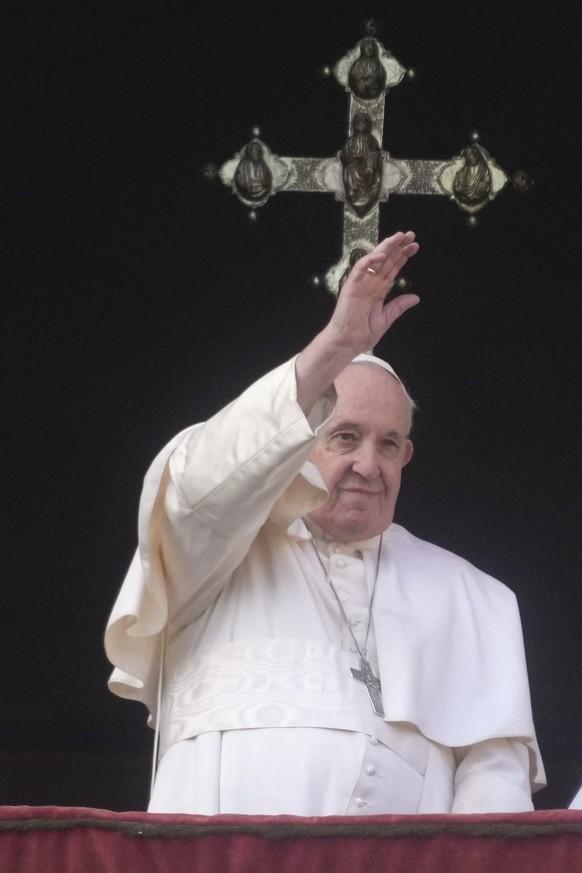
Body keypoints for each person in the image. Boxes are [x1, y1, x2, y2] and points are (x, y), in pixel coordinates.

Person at [105, 231, 545, 816]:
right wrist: (336, 346)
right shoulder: (215, 551)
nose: (367, 463)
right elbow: (195, 485)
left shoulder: (474, 597)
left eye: (388, 444)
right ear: (296, 441)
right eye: (344, 436)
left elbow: (496, 786)